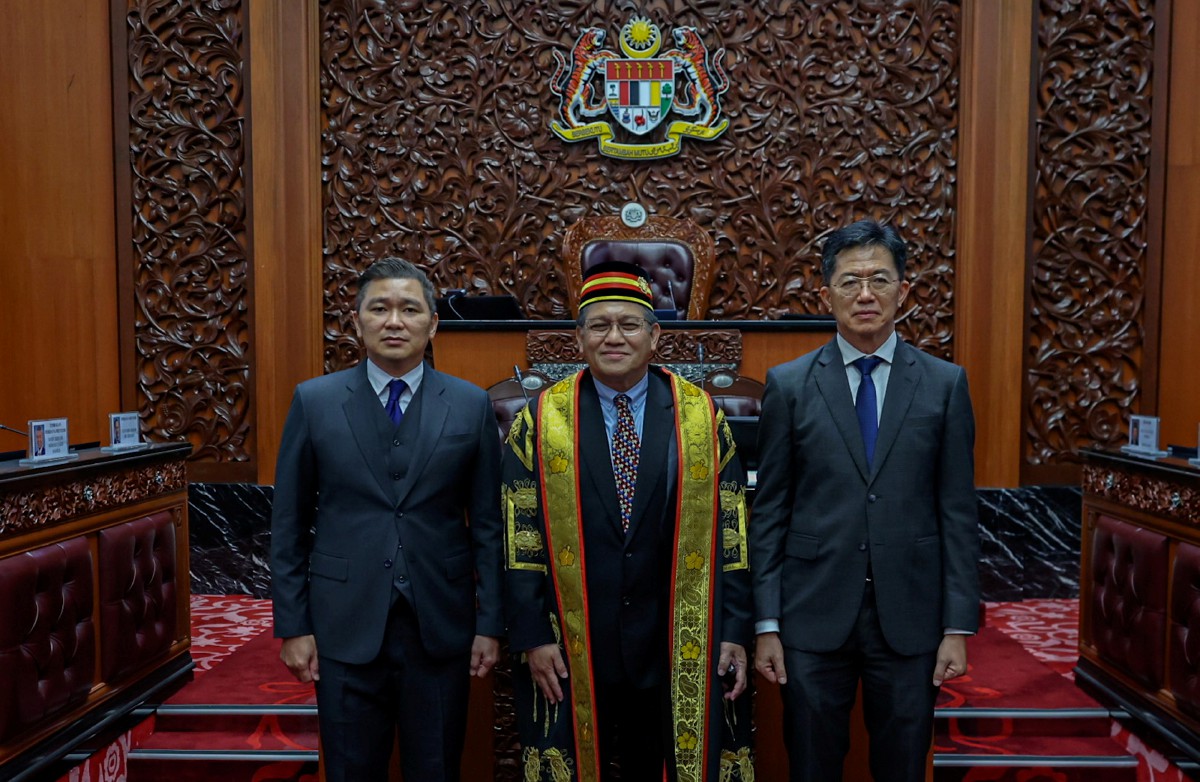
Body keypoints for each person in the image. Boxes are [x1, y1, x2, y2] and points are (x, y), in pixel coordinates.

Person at [502, 260, 754, 782]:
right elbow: (519, 534)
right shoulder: (543, 418)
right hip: (571, 641)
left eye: (629, 324)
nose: (613, 337)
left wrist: (734, 630)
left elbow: (733, 533)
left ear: (655, 335)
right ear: (579, 337)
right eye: (598, 325)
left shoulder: (700, 418)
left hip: (676, 638)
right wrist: (531, 637)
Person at [750, 220, 980, 782]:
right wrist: (767, 623)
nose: (866, 294)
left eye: (880, 280)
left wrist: (958, 625)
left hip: (910, 615)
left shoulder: (944, 384)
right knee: (811, 762)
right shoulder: (790, 384)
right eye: (850, 281)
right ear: (825, 294)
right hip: (811, 613)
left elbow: (957, 512)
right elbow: (770, 511)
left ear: (904, 292)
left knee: (902, 765)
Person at [270, 257, 504, 782]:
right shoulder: (315, 401)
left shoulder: (469, 405)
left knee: (437, 767)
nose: (394, 321)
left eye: (409, 309)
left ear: (433, 323)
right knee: (351, 769)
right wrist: (293, 625)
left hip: (440, 626)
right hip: (343, 623)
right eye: (379, 309)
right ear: (357, 322)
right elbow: (288, 523)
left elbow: (488, 525)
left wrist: (489, 622)